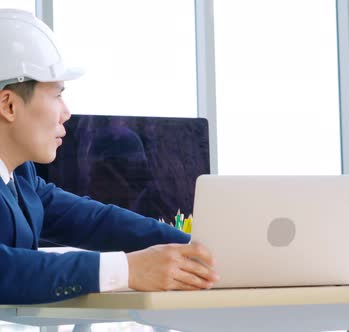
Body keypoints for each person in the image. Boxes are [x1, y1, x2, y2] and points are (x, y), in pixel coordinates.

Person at [0, 9, 218, 304]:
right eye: (57, 94)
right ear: (9, 105)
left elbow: (94, 221)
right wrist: (127, 269)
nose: (66, 112)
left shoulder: (21, 176)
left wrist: (202, 250)